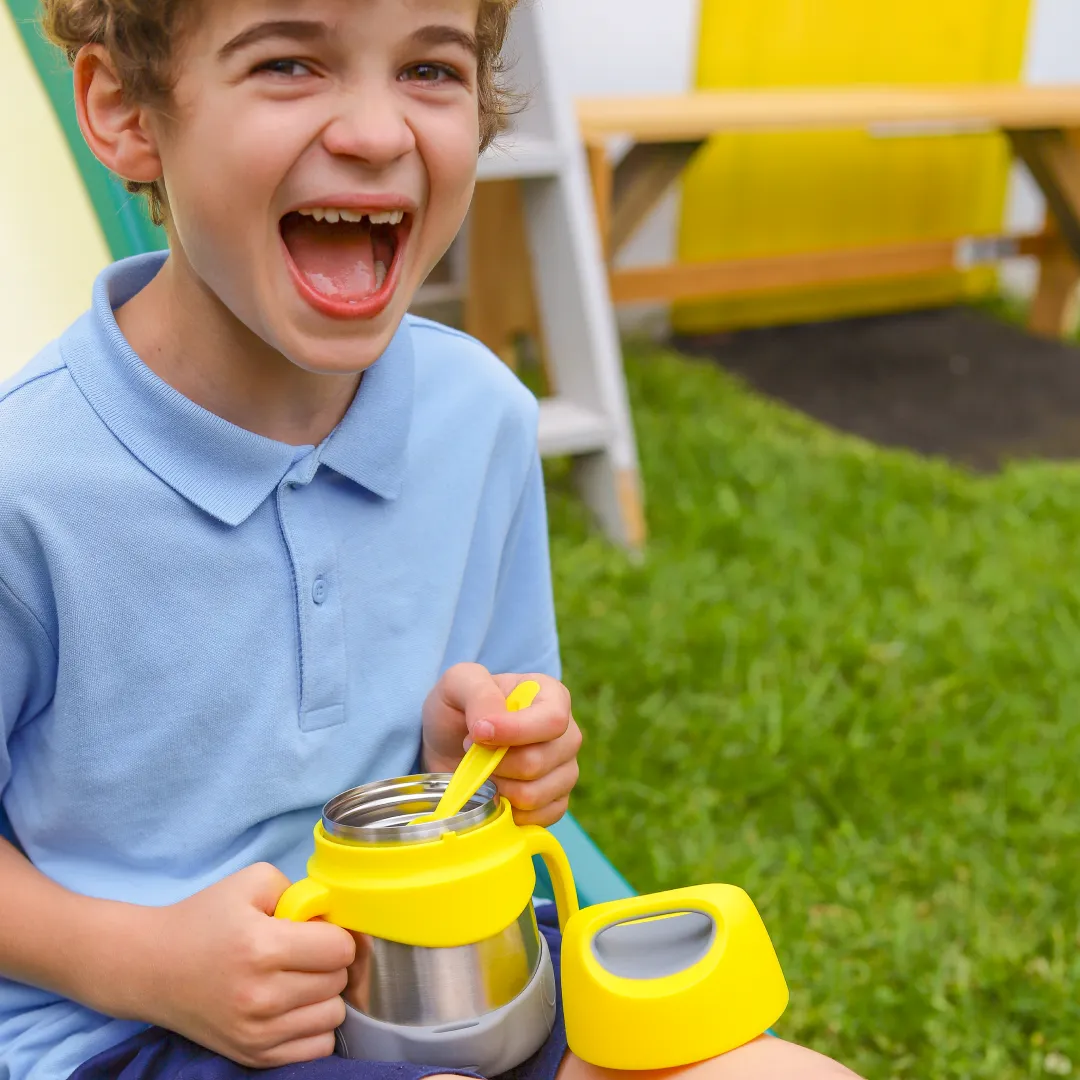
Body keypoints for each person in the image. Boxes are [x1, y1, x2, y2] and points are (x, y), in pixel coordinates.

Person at [0, 1, 862, 1077]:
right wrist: (151, 964)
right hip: (136, 1026)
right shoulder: (26, 481)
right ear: (126, 111)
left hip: (450, 971)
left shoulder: (481, 415)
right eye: (288, 63)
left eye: (431, 71)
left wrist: (491, 761)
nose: (377, 131)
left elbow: (494, 740)